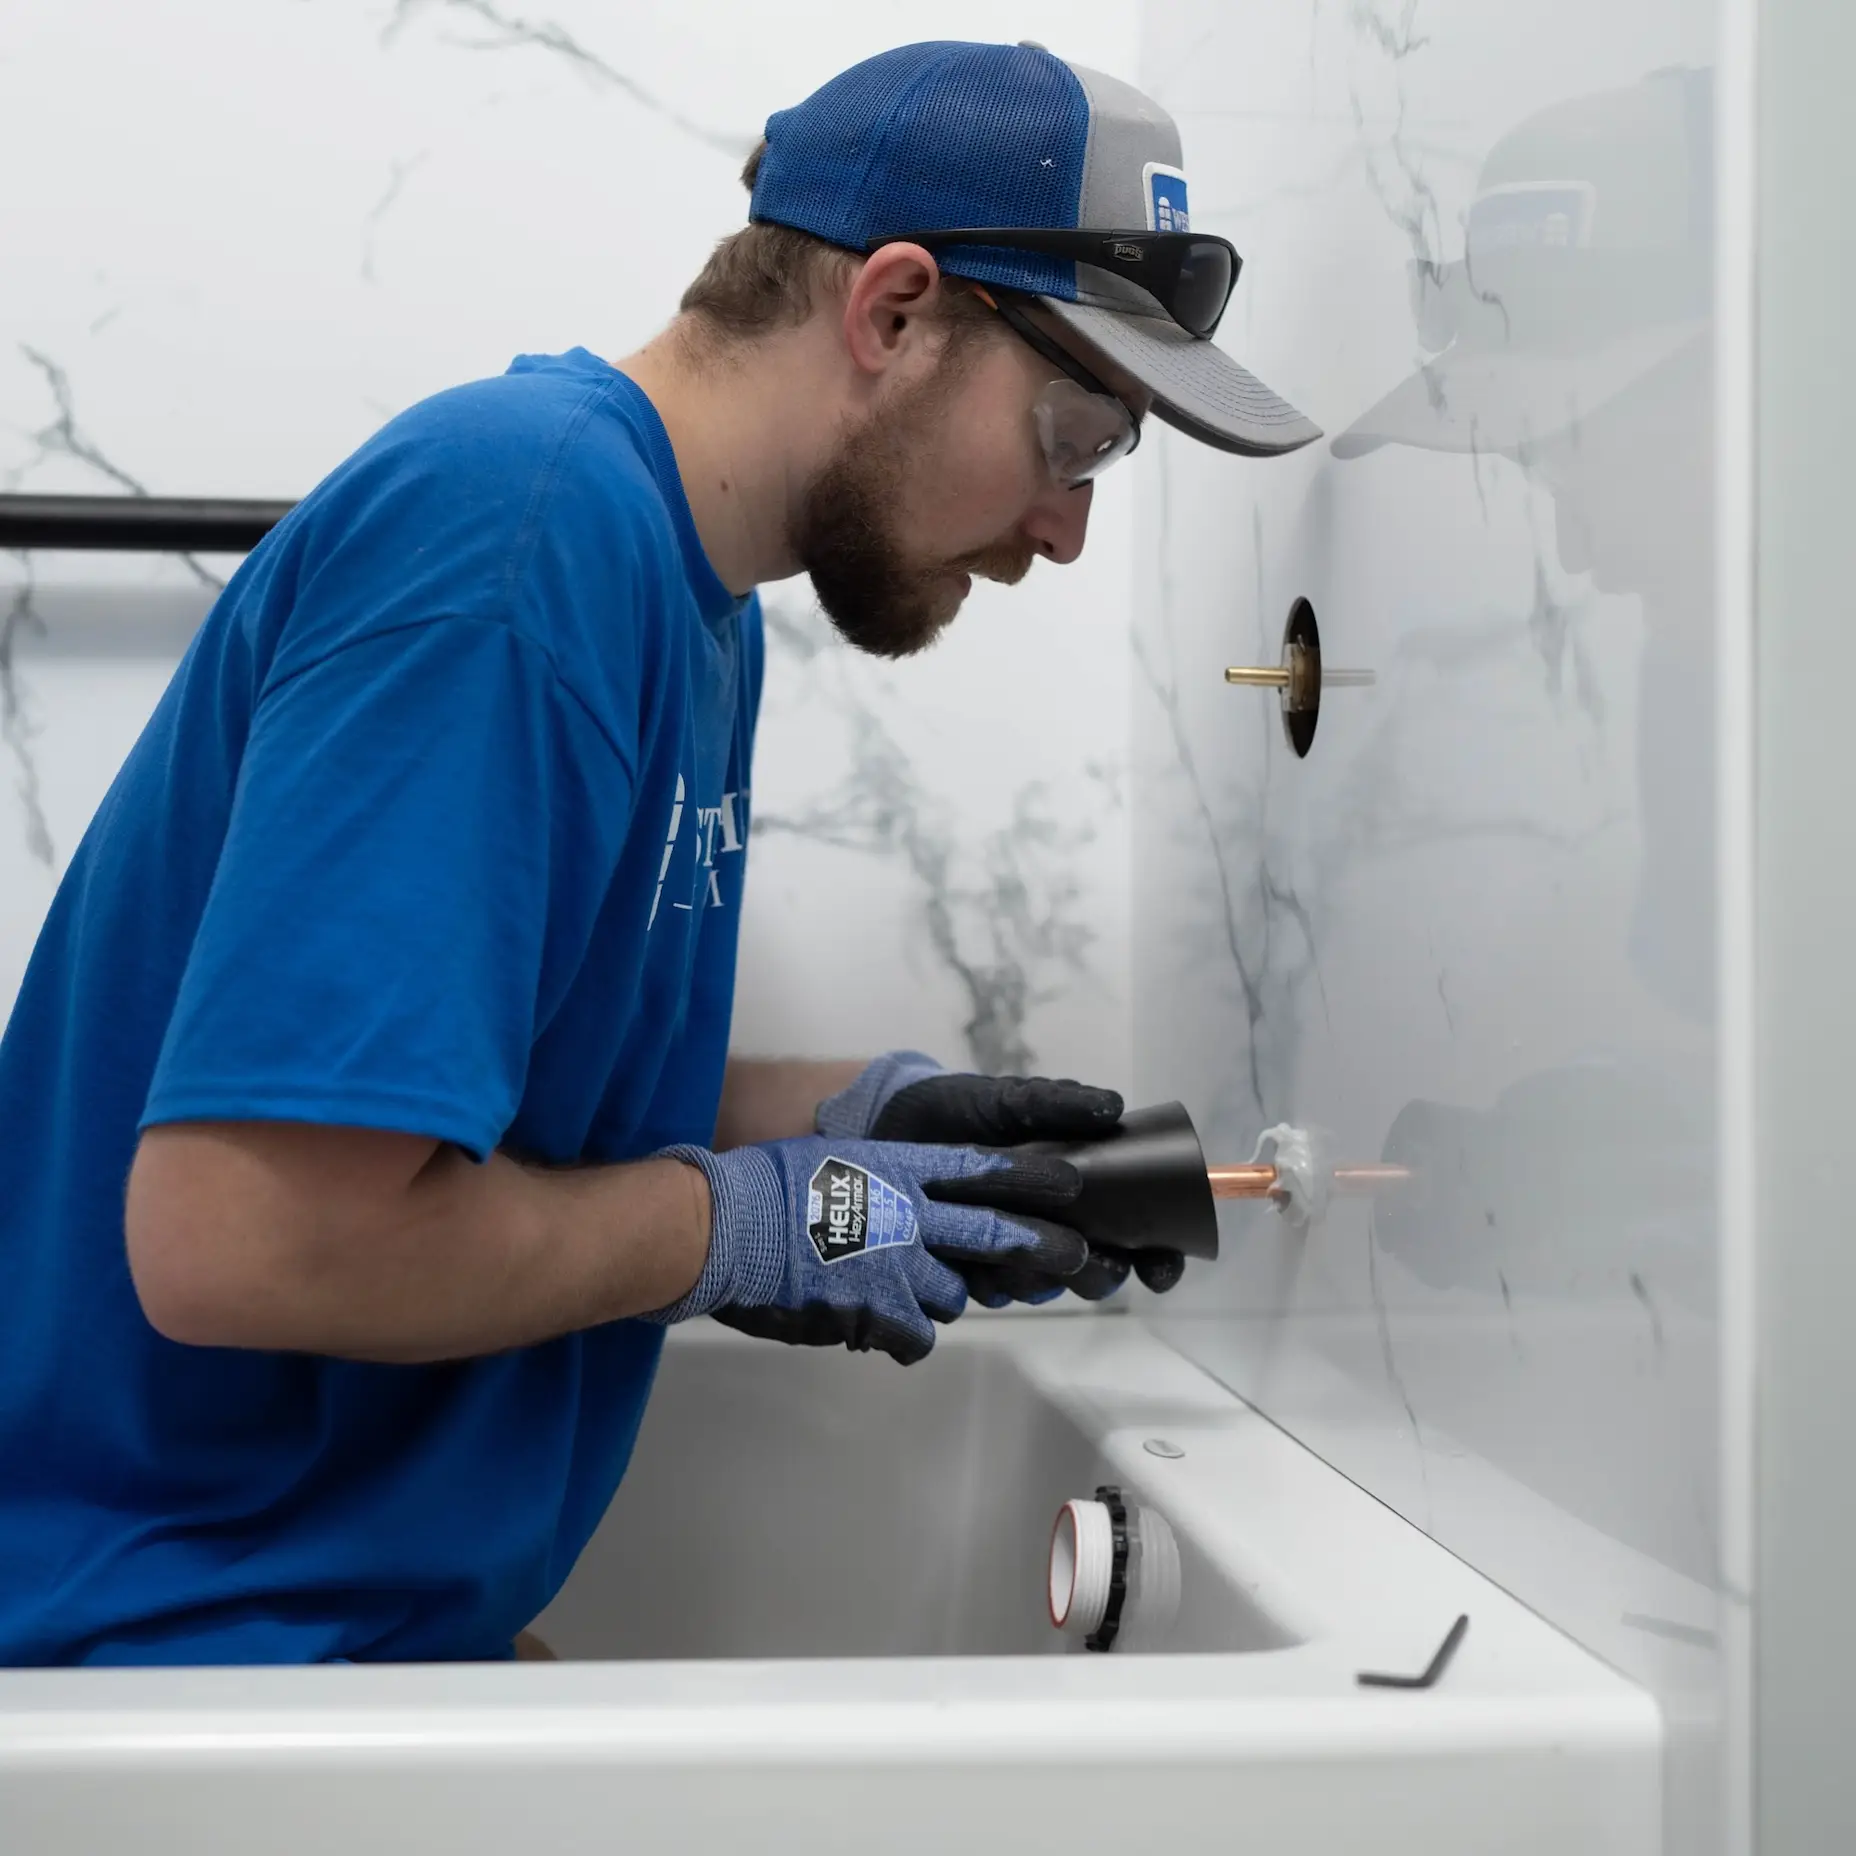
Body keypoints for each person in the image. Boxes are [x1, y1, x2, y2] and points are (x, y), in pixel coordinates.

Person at [0, 39, 1316, 1666]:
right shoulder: (517, 534)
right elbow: (244, 1245)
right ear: (894, 311)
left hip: (308, 1618)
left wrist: (847, 1121)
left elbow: (468, 1093)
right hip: (162, 1645)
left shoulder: (683, 595)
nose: (1067, 528)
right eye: (1077, 433)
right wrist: (744, 1224)